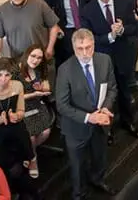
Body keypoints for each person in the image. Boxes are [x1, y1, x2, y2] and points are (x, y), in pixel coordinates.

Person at [55, 28, 118, 199]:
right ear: (74, 48)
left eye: (88, 47)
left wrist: (106, 107)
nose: (84, 53)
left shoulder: (105, 60)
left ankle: (98, 180)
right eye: (80, 49)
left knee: (100, 156)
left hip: (101, 124)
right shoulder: (65, 70)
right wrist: (90, 117)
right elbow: (62, 105)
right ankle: (79, 193)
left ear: (94, 45)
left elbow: (112, 88)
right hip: (76, 128)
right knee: (77, 166)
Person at [81, 0, 138, 137]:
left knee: (124, 91)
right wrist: (109, 36)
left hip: (122, 56)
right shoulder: (87, 10)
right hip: (101, 59)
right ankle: (105, 130)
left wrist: (122, 30)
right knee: (104, 96)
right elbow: (88, 38)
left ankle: (128, 121)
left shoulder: (124, 3)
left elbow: (134, 27)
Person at [0, 0, 61, 72]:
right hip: (19, 62)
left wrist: (50, 48)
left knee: (47, 85)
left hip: (42, 58)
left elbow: (54, 26)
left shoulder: (39, 4)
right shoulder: (2, 11)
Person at [0, 57, 35, 173]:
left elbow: (21, 110)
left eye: (7, 75)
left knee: (23, 136)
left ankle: (29, 160)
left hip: (15, 124)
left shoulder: (17, 86)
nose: (3, 79)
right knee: (1, 161)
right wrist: (1, 119)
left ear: (11, 76)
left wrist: (17, 116)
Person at [16, 45, 54, 178]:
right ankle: (33, 158)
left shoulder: (40, 70)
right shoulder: (16, 71)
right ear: (27, 54)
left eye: (39, 58)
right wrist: (34, 93)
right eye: (33, 56)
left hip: (37, 105)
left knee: (46, 131)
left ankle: (27, 152)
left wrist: (42, 89)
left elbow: (47, 88)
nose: (35, 60)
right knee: (31, 137)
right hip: (22, 106)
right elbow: (15, 97)